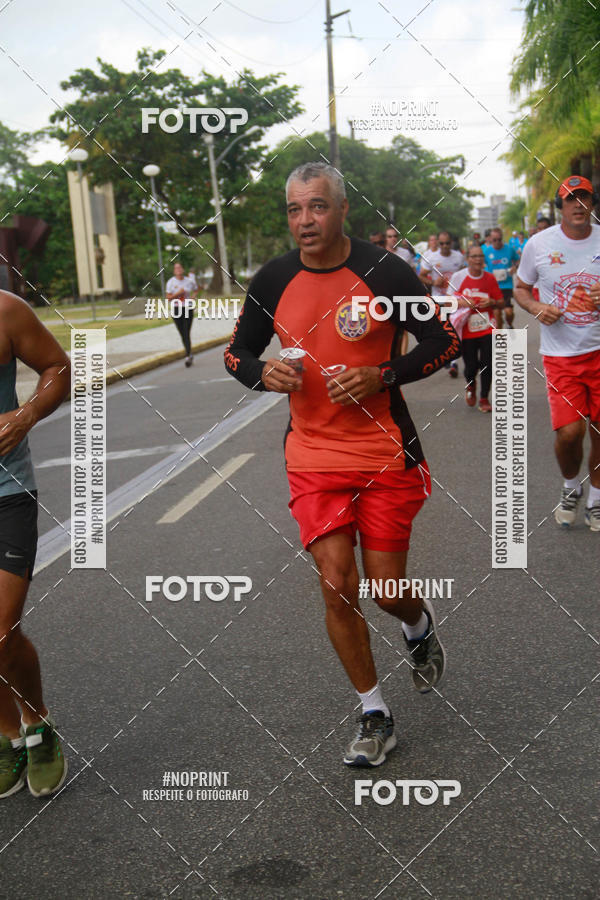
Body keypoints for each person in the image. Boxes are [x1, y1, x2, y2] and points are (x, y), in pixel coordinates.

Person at [224, 161, 460, 766]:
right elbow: (237, 350)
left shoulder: (385, 272)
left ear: (343, 209)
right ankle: (375, 713)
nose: (305, 220)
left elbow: (445, 342)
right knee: (336, 584)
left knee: (385, 589)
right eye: (295, 209)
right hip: (313, 456)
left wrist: (381, 373)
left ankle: (417, 624)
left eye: (318, 207)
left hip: (384, 453)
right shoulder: (273, 278)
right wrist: (260, 372)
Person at [0, 291, 70, 798]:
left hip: (7, 492)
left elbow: (57, 369)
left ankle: (37, 723)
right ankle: (7, 737)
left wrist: (24, 416)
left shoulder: (6, 310)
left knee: (1, 632)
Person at [515, 174, 600, 531]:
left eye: (584, 198)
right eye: (570, 199)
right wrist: (535, 308)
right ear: (560, 206)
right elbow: (521, 287)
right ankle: (570, 486)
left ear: (592, 204)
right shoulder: (538, 244)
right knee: (569, 434)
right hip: (561, 356)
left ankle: (596, 499)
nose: (578, 205)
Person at [447, 245, 504, 412]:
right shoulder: (459, 277)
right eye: (474, 256)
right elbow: (449, 301)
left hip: (487, 327)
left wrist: (492, 302)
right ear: (467, 259)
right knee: (470, 366)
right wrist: (466, 302)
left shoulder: (490, 278)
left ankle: (484, 397)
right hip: (467, 330)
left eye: (480, 256)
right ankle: (470, 385)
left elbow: (501, 302)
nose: (478, 259)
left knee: (488, 363)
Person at [419, 231, 465, 376]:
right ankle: (447, 356)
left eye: (447, 243)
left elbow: (463, 274)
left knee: (455, 329)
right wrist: (433, 282)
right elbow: (420, 276)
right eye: (441, 243)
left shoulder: (458, 256)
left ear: (451, 243)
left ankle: (453, 363)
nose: (444, 246)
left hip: (454, 299)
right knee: (444, 331)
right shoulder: (432, 257)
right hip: (438, 298)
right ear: (438, 243)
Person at [483, 227, 519, 328]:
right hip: (493, 286)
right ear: (490, 239)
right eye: (495, 240)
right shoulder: (487, 251)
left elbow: (518, 260)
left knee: (509, 312)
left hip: (506, 285)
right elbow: (481, 264)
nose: (497, 242)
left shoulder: (509, 249)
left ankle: (510, 324)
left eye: (499, 239)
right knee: (497, 314)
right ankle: (500, 336)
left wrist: (514, 267)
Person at [166, 262, 198, 367]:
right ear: (174, 271)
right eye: (176, 268)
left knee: (186, 331)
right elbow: (168, 297)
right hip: (176, 309)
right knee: (182, 333)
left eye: (180, 267)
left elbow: (196, 289)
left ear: (183, 269)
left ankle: (188, 355)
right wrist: (178, 293)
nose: (178, 269)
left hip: (188, 308)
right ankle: (189, 353)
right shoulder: (171, 282)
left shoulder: (189, 281)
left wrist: (193, 296)